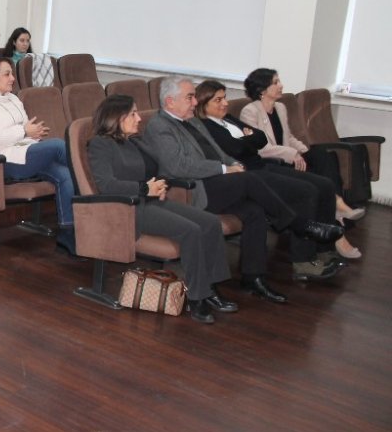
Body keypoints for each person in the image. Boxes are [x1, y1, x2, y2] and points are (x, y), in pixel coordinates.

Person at [143, 76, 343, 304]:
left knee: (254, 211)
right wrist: (223, 169)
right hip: (193, 189)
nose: (195, 102)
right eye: (190, 97)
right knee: (250, 180)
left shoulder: (194, 122)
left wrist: (233, 164)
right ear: (170, 101)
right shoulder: (159, 126)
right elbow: (179, 166)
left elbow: (220, 152)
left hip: (219, 183)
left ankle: (253, 278)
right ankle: (300, 225)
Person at [89, 95, 236, 323]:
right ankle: (197, 298)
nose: (139, 118)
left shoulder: (134, 142)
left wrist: (160, 184)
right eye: (133, 114)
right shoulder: (100, 144)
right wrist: (144, 188)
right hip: (128, 208)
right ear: (116, 118)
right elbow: (106, 185)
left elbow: (157, 170)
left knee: (210, 222)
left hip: (151, 200)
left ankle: (211, 287)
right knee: (191, 230)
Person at [195, 79, 357, 266]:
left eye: (225, 98)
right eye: (218, 100)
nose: (225, 103)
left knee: (325, 185)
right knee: (307, 191)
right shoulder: (205, 126)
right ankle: (303, 261)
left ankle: (325, 250)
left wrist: (247, 139)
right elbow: (235, 149)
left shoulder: (228, 119)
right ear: (203, 104)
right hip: (250, 174)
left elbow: (261, 138)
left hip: (263, 165)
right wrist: (248, 138)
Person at [0, 57, 76, 255]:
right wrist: (24, 131)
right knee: (58, 146)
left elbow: (26, 131)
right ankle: (94, 183)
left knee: (65, 174)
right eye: (7, 74)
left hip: (25, 153)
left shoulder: (13, 99)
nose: (12, 78)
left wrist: (32, 134)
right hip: (1, 160)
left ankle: (67, 235)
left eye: (12, 73)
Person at [240, 68, 367, 225]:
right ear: (262, 90)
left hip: (289, 157)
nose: (281, 85)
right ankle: (336, 208)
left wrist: (303, 151)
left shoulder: (280, 108)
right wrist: (292, 154)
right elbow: (260, 148)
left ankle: (337, 205)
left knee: (322, 155)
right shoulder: (250, 112)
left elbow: (289, 137)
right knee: (318, 171)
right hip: (272, 163)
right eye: (276, 82)